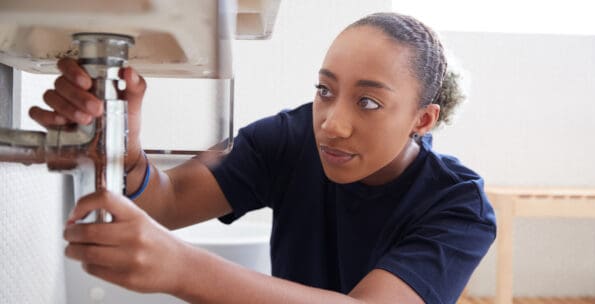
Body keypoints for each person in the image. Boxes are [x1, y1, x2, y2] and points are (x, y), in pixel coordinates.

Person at [30, 12, 496, 304]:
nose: (332, 123)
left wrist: (179, 267)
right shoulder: (292, 139)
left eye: (368, 102)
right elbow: (167, 203)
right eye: (324, 90)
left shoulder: (459, 207)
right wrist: (125, 151)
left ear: (423, 119)